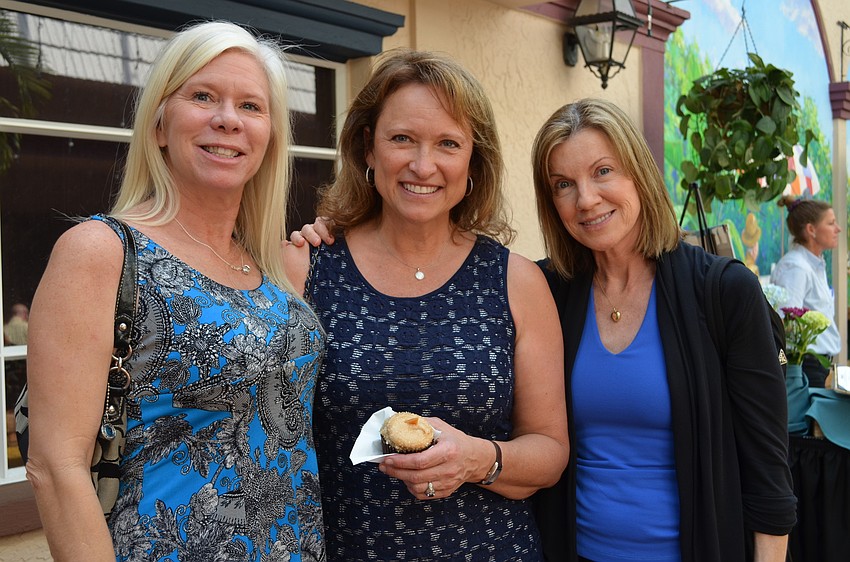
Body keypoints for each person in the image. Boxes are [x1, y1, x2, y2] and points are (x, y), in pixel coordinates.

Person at [25, 21, 326, 561]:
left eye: (251, 106)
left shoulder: (270, 267)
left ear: (270, 138)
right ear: (160, 124)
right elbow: (55, 466)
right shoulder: (101, 251)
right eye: (203, 96)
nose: (228, 119)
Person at [284, 49, 569, 560]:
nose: (422, 165)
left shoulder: (517, 281)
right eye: (401, 139)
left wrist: (476, 459)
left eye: (448, 144)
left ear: (473, 161)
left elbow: (549, 451)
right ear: (368, 148)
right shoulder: (305, 267)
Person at [529, 99, 796, 562]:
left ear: (639, 174)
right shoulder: (548, 292)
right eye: (563, 184)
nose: (585, 199)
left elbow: (768, 469)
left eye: (603, 171)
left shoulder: (724, 291)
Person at [770, 195, 842, 387]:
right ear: (811, 230)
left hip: (817, 366)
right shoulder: (796, 267)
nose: (838, 229)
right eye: (831, 223)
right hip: (805, 368)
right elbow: (785, 325)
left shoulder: (814, 264)